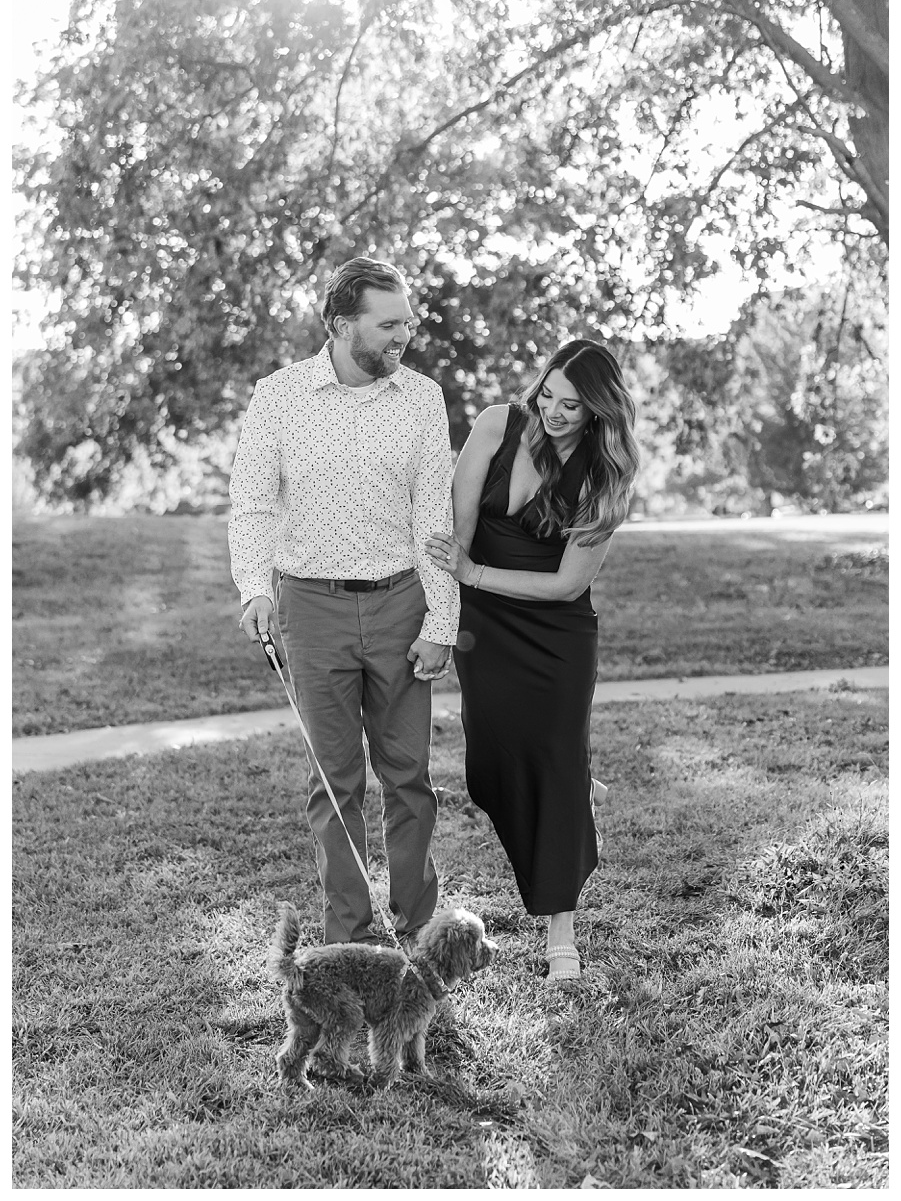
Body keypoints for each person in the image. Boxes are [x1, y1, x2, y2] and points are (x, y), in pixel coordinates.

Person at [229, 256, 460, 946]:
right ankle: (350, 937)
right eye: (389, 324)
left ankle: (417, 925)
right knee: (334, 785)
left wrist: (440, 621)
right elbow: (251, 504)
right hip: (310, 607)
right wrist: (253, 588)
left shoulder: (422, 398)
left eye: (408, 323)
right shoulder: (279, 395)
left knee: (408, 778)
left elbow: (435, 522)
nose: (404, 336)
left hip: (399, 605)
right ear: (339, 325)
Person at [426, 339, 640, 983]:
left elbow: (565, 585)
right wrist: (447, 607)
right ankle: (574, 787)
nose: (553, 411)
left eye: (572, 405)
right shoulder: (496, 426)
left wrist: (474, 573)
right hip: (486, 633)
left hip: (556, 641)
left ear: (599, 410)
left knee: (548, 765)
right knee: (488, 769)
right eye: (547, 394)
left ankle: (561, 933)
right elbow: (453, 535)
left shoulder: (605, 474)